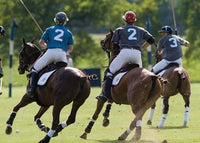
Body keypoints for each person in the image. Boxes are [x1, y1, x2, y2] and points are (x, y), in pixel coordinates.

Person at [97, 11, 155, 102]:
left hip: (125, 52)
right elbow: (152, 40)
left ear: (125, 20)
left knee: (110, 71)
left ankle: (105, 95)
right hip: (137, 54)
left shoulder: (119, 29)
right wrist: (142, 48)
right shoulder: (141, 30)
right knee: (141, 76)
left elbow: (115, 44)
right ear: (134, 21)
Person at [27, 12, 74, 97]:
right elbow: (70, 49)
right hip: (62, 55)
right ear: (65, 21)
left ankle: (32, 90)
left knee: (34, 69)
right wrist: (63, 50)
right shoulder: (68, 32)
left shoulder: (49, 29)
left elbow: (41, 42)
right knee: (66, 73)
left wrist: (47, 46)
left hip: (50, 53)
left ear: (56, 20)